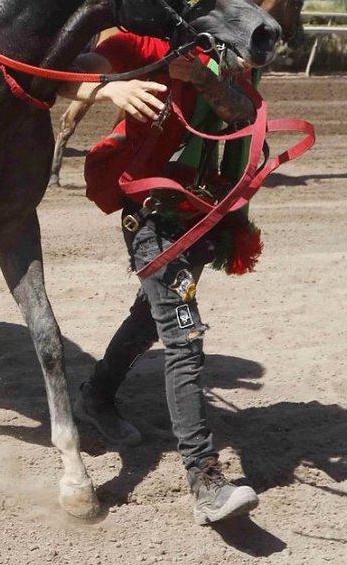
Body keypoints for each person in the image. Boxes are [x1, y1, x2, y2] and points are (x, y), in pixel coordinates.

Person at [58, 32, 264, 525]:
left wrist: (201, 77)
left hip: (197, 209)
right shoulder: (136, 45)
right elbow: (59, 71)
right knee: (184, 336)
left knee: (150, 319)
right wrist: (109, 88)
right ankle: (205, 481)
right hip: (147, 210)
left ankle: (96, 395)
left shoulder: (217, 55)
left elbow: (242, 113)